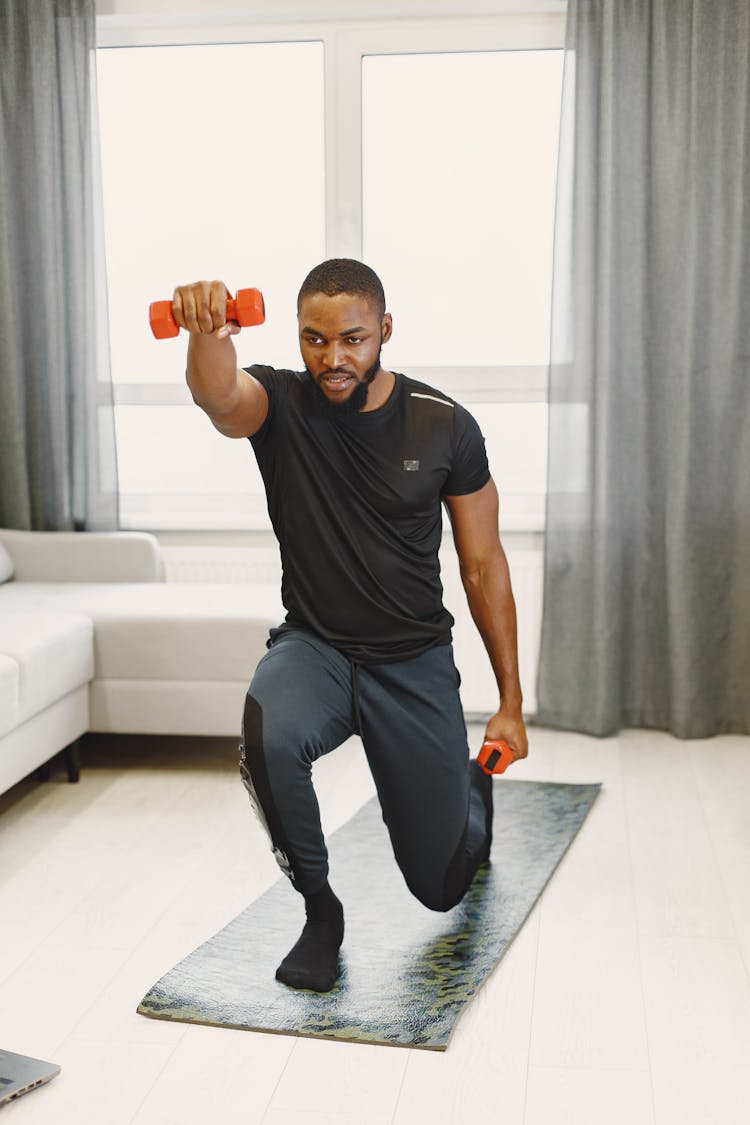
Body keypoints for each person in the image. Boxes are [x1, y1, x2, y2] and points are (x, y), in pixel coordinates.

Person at [173, 259, 528, 993]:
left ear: (385, 332)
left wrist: (511, 703)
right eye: (315, 340)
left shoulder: (445, 425)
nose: (333, 359)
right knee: (268, 732)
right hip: (318, 648)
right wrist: (209, 330)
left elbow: (484, 566)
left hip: (413, 660)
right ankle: (320, 910)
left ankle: (471, 796)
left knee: (441, 886)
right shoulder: (279, 403)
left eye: (353, 340)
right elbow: (217, 394)